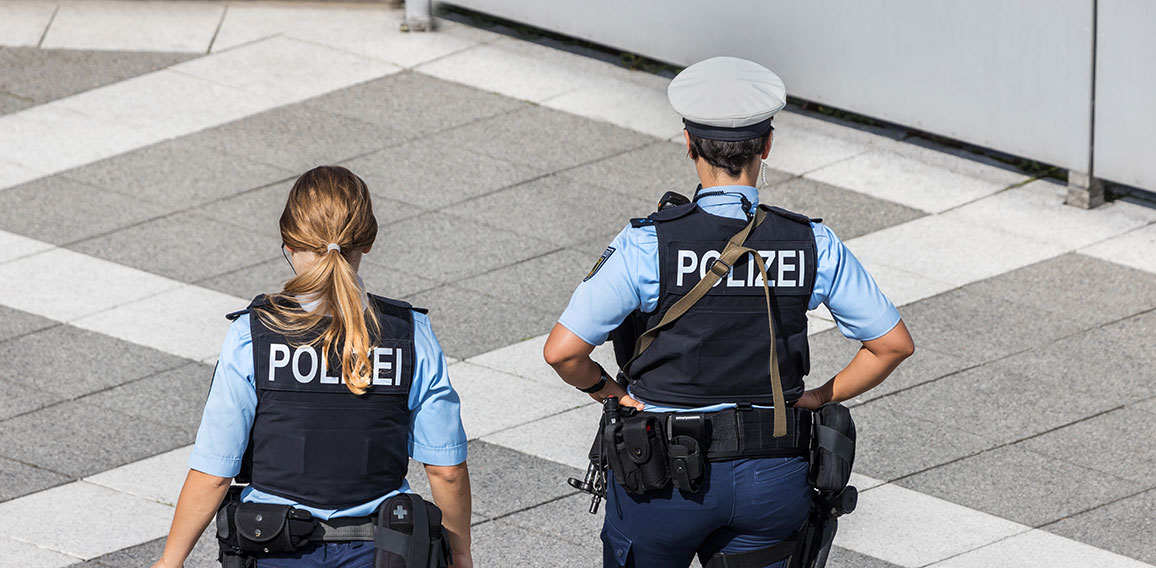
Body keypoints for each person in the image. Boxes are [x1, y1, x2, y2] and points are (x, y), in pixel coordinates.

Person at [543, 57, 914, 568]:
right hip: (772, 475)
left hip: (661, 480)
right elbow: (892, 344)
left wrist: (612, 396)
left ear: (690, 145)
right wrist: (816, 397)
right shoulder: (812, 242)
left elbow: (563, 352)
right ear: (766, 147)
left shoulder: (647, 243)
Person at [151, 166, 472, 568]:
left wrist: (171, 559)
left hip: (272, 547)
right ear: (367, 242)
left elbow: (215, 472)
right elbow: (447, 471)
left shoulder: (254, 333)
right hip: (381, 551)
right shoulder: (410, 333)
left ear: (288, 242)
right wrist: (461, 554)